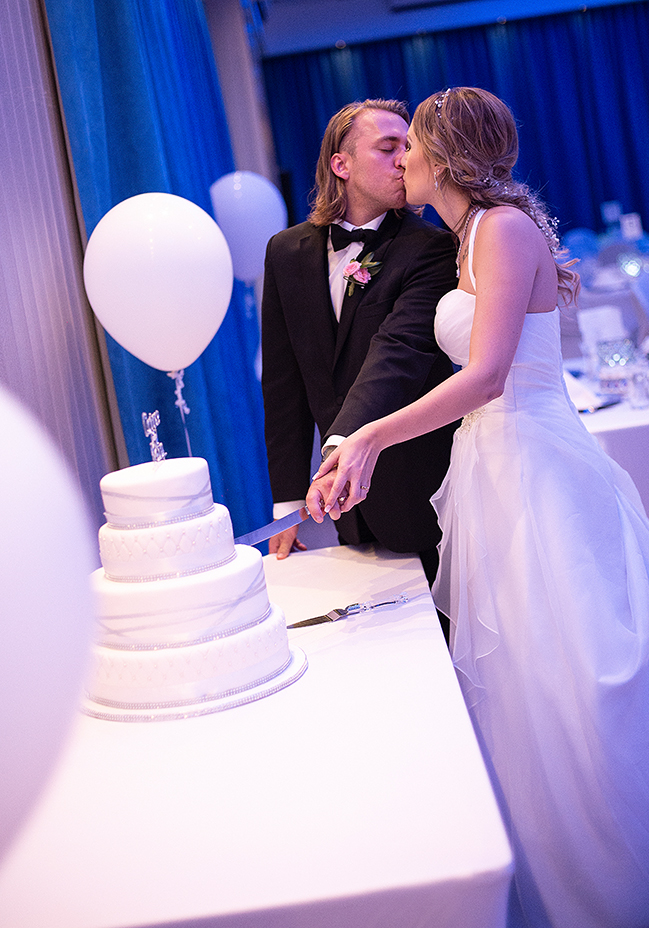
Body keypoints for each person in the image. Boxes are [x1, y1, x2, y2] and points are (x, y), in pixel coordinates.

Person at [308, 87, 649, 927]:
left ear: (444, 156)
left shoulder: (499, 228)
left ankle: (610, 885)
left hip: (536, 471)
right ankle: (543, 871)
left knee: (573, 682)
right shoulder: (462, 237)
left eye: (412, 146)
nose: (403, 161)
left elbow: (488, 375)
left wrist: (372, 434)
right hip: (488, 470)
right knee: (519, 687)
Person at [261, 98, 458, 587]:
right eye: (388, 148)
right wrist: (287, 500)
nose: (404, 160)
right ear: (341, 165)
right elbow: (284, 384)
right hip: (347, 502)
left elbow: (397, 355)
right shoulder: (285, 252)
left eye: (408, 148)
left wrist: (339, 448)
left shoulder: (431, 248)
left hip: (423, 485)